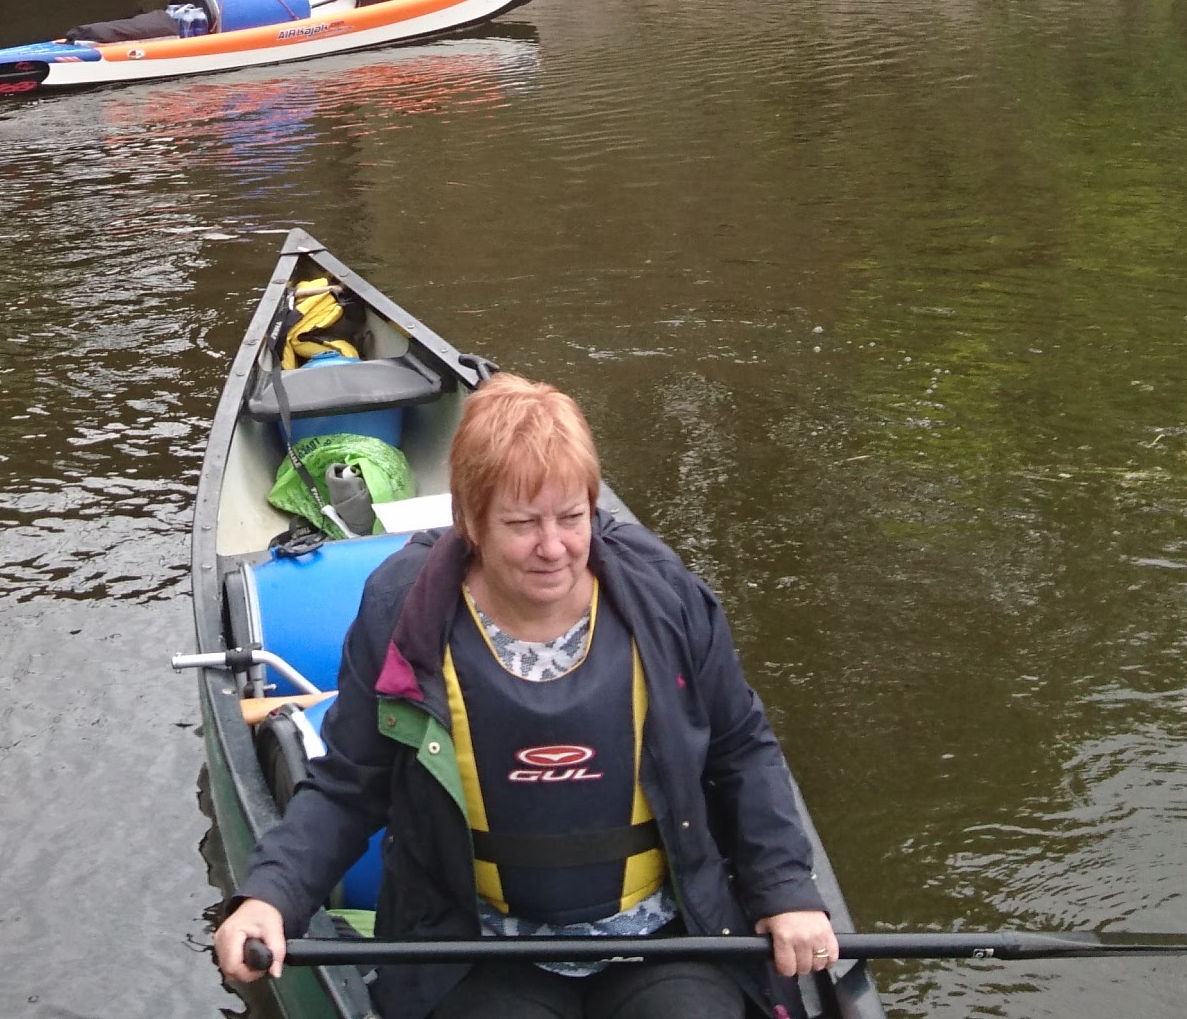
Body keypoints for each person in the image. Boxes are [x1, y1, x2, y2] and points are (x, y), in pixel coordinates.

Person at [212, 376, 840, 1019]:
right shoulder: (403, 612)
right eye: (522, 523)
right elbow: (349, 786)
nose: (553, 547)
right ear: (470, 521)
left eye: (572, 517)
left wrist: (785, 888)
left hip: (664, 939)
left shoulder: (665, 596)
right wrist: (271, 895)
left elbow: (741, 751)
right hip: (476, 950)